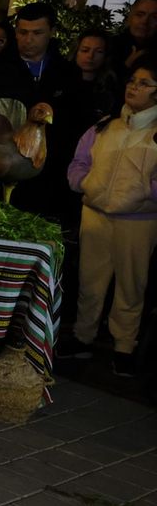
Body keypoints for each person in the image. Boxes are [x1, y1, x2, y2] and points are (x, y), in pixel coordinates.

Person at [63, 59, 157, 377]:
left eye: (144, 83)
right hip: (95, 214)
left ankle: (124, 346)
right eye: (132, 80)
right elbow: (79, 161)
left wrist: (145, 191)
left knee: (131, 285)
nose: (134, 87)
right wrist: (85, 183)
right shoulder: (105, 126)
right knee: (90, 280)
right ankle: (83, 336)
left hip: (138, 220)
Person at [0, 2, 77, 213]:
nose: (29, 39)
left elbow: (73, 125)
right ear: (15, 32)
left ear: (52, 32)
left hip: (47, 182)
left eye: (37, 33)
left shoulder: (68, 74)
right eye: (23, 32)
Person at [108, 0, 157, 78]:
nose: (145, 21)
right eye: (140, 15)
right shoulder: (109, 46)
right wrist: (126, 67)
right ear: (130, 16)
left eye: (154, 17)